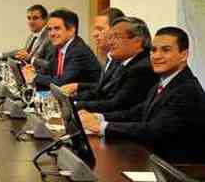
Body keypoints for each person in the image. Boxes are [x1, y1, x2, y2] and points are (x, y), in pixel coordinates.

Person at [80, 27, 205, 164]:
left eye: (166, 50)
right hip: (153, 160)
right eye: (153, 50)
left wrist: (103, 126)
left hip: (177, 171)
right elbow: (136, 113)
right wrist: (98, 117)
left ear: (184, 55)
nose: (156, 56)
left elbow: (154, 130)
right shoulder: (164, 81)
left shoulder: (187, 90)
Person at [67, 17, 158, 113]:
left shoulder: (143, 68)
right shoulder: (119, 61)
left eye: (117, 37)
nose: (110, 42)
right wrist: (71, 99)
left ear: (137, 42)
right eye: (110, 37)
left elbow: (116, 104)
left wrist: (76, 105)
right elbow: (99, 92)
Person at [24, 9, 101, 90]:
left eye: (57, 28)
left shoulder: (79, 51)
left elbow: (62, 82)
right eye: (49, 29)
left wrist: (35, 77)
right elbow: (49, 70)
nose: (52, 34)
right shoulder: (59, 47)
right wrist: (33, 72)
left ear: (71, 30)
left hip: (83, 100)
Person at [61, 7, 125, 97]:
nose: (94, 34)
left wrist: (76, 101)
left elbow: (109, 94)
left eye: (100, 29)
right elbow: (101, 88)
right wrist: (78, 87)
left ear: (116, 30)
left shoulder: (121, 60)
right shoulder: (109, 57)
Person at [1, 4, 53, 70]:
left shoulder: (50, 38)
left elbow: (51, 66)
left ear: (45, 20)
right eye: (29, 18)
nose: (31, 22)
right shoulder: (32, 35)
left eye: (35, 18)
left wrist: (30, 58)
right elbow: (23, 52)